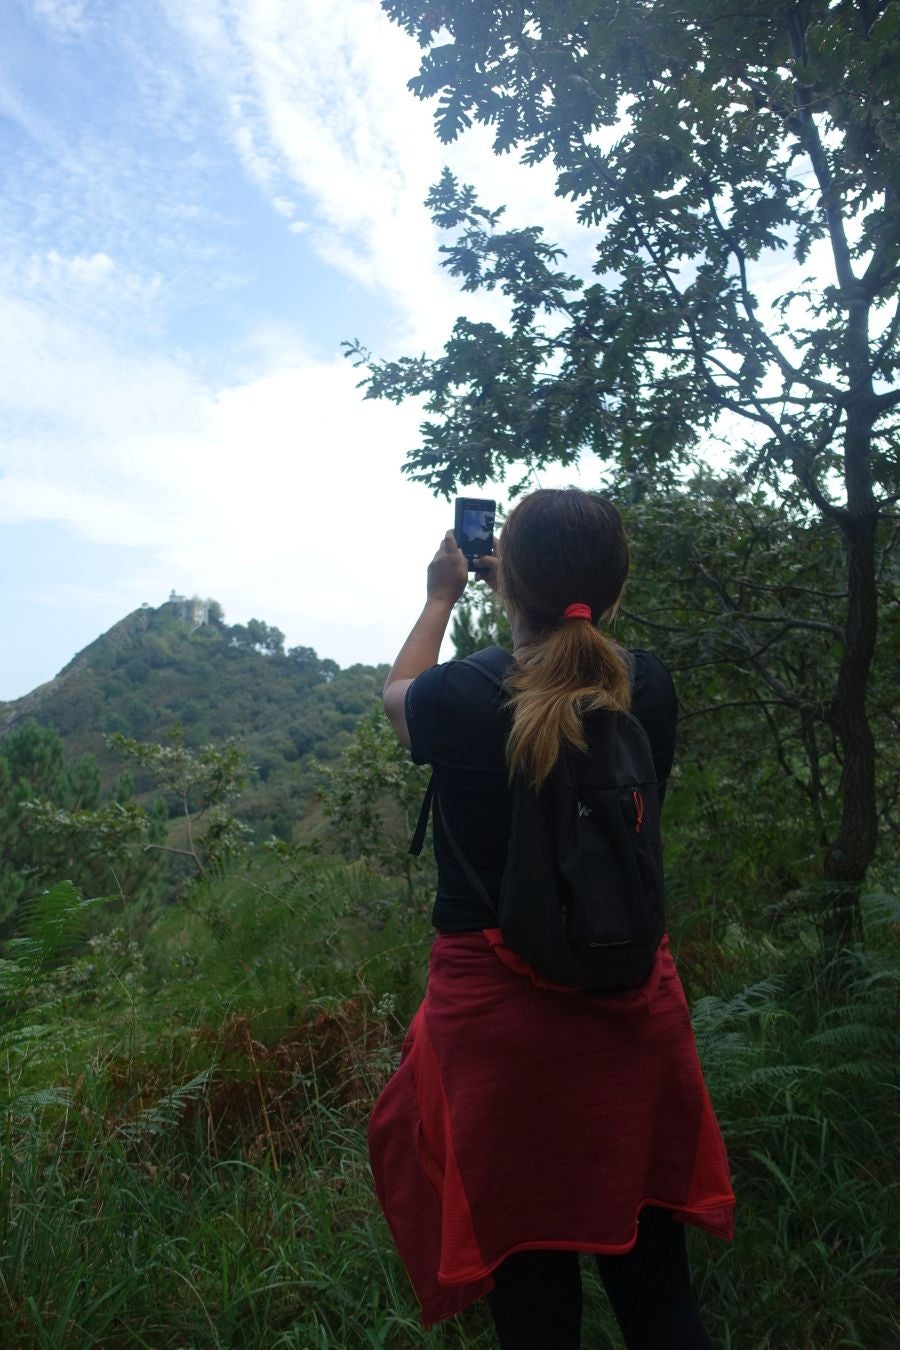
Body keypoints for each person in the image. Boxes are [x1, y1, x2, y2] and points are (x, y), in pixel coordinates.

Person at [369, 488, 735, 1348]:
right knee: (658, 1289)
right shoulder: (647, 686)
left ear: (507, 583)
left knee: (533, 1303)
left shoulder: (461, 698)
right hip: (631, 1013)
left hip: (501, 1040)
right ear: (612, 588)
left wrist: (440, 598)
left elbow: (398, 696)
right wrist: (537, 597)